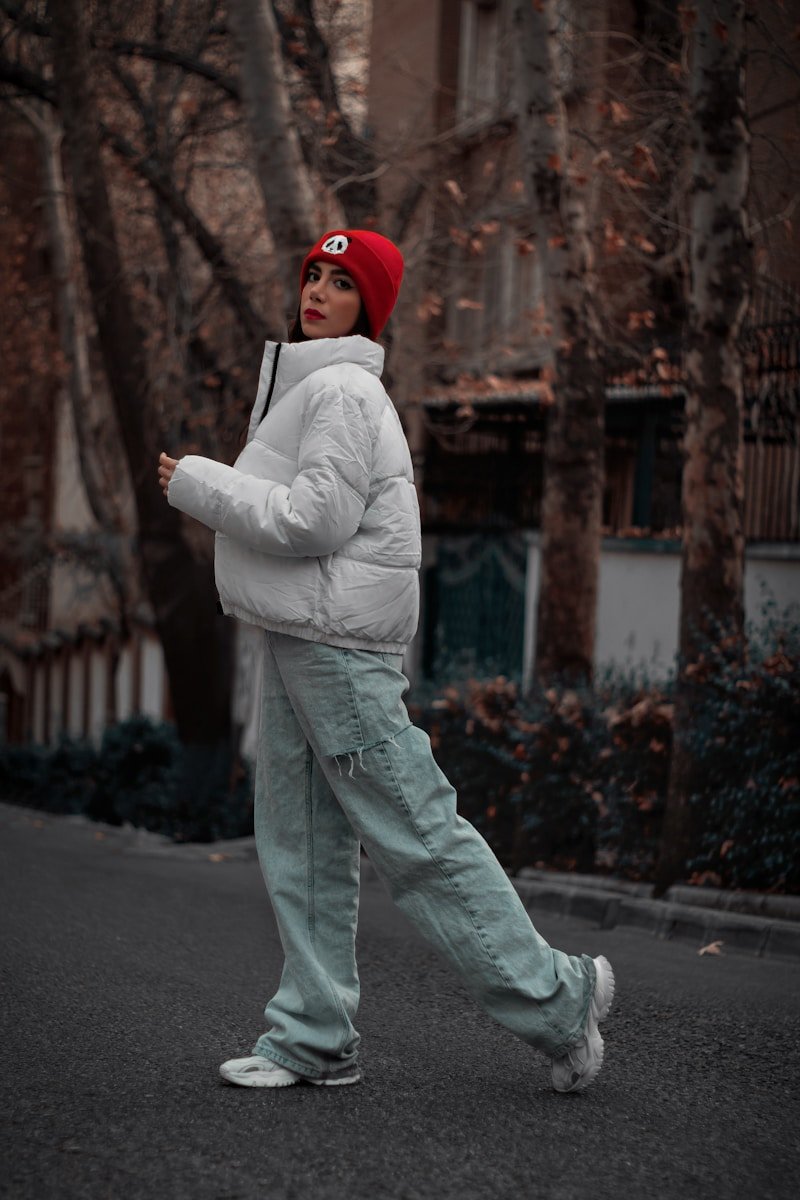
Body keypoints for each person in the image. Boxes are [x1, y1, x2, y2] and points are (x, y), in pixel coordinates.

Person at [158, 229, 615, 1094]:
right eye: (314, 275)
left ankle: (562, 998)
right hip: (301, 636)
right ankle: (313, 1037)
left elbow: (313, 522)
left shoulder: (337, 388)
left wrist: (201, 484)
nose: (320, 291)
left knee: (417, 837)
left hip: (336, 646)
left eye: (342, 282)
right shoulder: (317, 383)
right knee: (304, 844)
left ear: (372, 305)